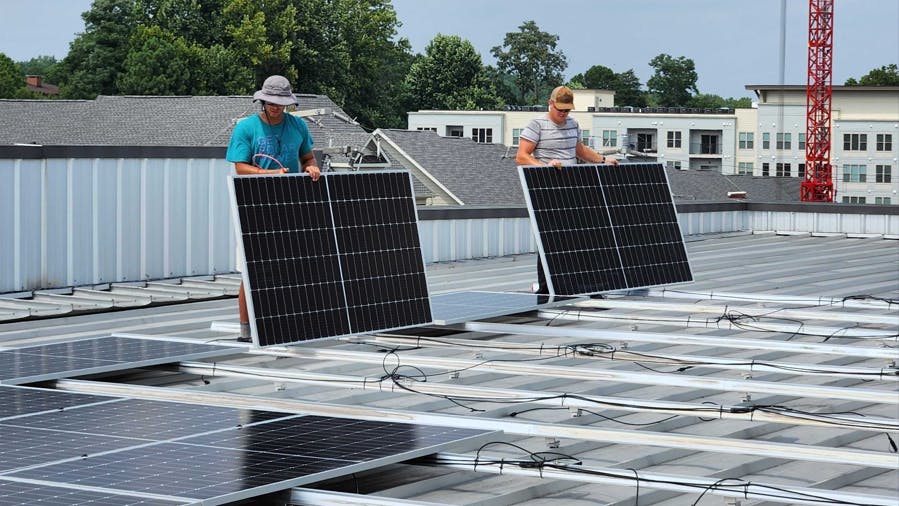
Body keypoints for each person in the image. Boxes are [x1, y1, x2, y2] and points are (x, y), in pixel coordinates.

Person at [226, 75, 322, 342]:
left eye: (280, 103)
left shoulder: (298, 126)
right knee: (250, 268)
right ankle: (247, 331)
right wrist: (266, 175)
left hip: (290, 205)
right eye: (270, 102)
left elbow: (307, 156)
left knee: (289, 266)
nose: (275, 107)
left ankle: (285, 323)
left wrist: (311, 167)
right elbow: (239, 167)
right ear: (262, 101)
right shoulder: (247, 128)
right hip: (254, 205)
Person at [515, 85, 618, 294]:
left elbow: (579, 150)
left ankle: (581, 285)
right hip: (547, 189)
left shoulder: (573, 124)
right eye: (560, 109)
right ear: (550, 104)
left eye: (567, 110)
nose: (563, 114)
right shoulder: (537, 125)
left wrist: (603, 160)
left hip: (571, 188)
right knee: (550, 238)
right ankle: (546, 289)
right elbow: (522, 157)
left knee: (578, 235)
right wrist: (546, 168)